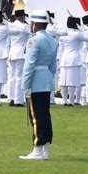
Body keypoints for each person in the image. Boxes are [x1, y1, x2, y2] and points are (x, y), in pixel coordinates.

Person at [19, 9, 58, 160]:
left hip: (35, 80)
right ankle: (45, 149)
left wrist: (25, 85)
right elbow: (53, 65)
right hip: (46, 79)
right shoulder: (52, 40)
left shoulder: (34, 41)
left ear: (35, 24)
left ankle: (37, 149)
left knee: (36, 116)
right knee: (45, 115)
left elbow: (29, 65)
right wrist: (48, 77)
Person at [59, 17, 88, 106]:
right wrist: (82, 29)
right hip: (74, 59)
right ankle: (71, 101)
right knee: (71, 81)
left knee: (64, 81)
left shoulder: (63, 34)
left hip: (64, 58)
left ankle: (65, 100)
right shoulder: (76, 34)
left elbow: (61, 48)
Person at [7, 9, 31, 106]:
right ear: (21, 17)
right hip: (21, 52)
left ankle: (11, 98)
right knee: (19, 77)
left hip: (12, 51)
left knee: (11, 77)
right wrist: (29, 22)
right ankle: (18, 100)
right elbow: (33, 33)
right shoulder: (24, 26)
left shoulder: (10, 25)